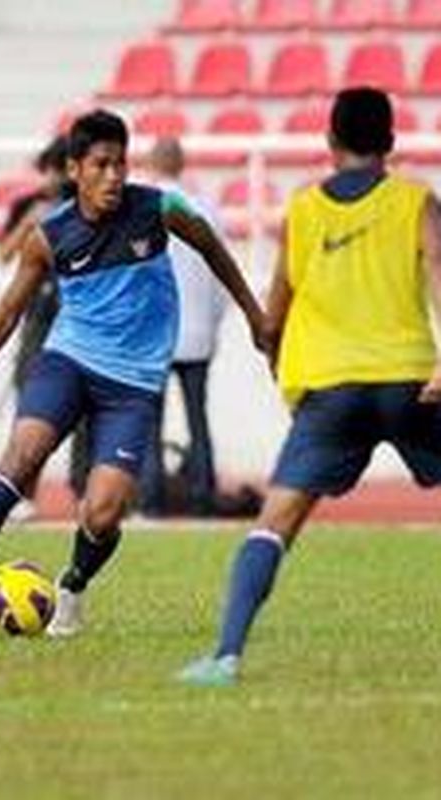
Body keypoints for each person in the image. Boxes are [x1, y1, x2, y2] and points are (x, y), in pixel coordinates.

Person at [0, 109, 271, 638]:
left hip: (132, 385)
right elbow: (6, 313)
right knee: (22, 456)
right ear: (75, 168)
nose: (114, 176)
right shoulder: (48, 236)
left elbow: (212, 247)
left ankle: (73, 586)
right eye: (101, 164)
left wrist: (254, 314)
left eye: (121, 164)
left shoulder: (159, 209)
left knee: (104, 512)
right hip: (69, 363)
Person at [179, 87, 441, 687]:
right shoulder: (417, 202)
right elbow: (439, 276)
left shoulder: (302, 211)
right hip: (409, 383)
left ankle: (224, 657)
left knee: (274, 524)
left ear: (329, 143)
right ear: (391, 144)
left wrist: (273, 353)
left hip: (329, 392)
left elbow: (275, 311)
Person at [137, 137, 228, 517]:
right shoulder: (206, 208)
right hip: (197, 334)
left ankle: (152, 500)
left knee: (149, 422)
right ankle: (203, 497)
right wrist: (212, 324)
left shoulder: (138, 207)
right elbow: (222, 276)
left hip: (152, 337)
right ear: (182, 163)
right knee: (198, 417)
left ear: (151, 163)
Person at [0, 136, 68, 520]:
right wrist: (30, 223)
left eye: (61, 170)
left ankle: (83, 487)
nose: (54, 178)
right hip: (36, 314)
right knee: (29, 403)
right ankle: (23, 493)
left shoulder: (80, 206)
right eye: (50, 169)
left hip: (72, 312)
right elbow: (4, 253)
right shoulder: (27, 205)